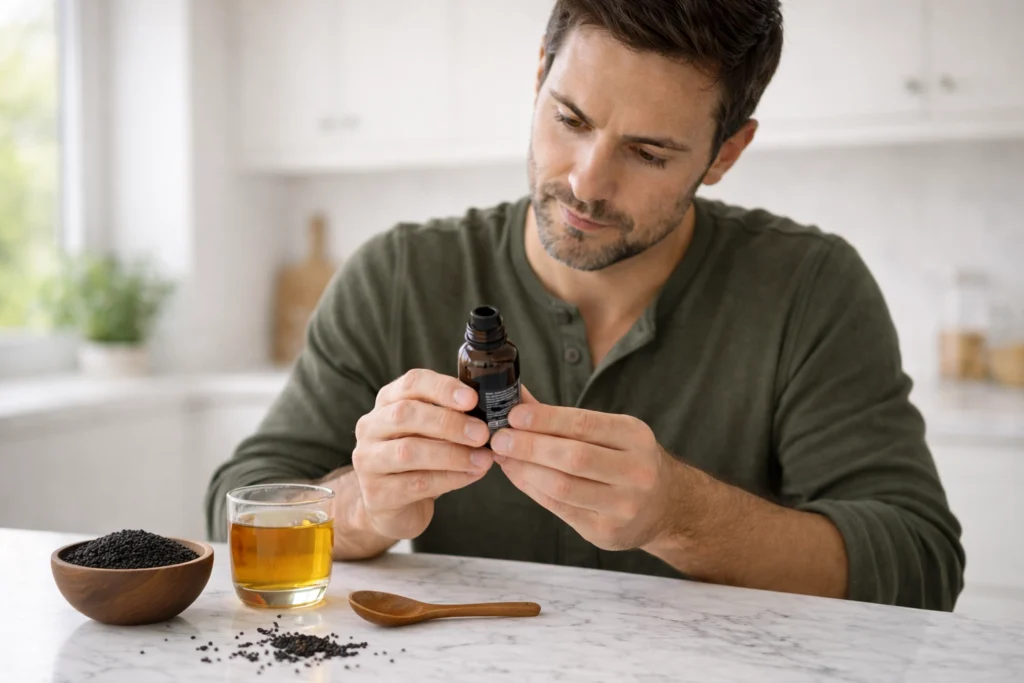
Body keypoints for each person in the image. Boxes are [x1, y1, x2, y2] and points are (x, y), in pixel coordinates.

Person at [206, 0, 964, 611]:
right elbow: (237, 505)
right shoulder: (397, 273)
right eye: (570, 119)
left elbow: (920, 561)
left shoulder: (811, 288)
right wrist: (364, 506)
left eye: (648, 152)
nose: (587, 183)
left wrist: (681, 515)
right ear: (539, 75)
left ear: (727, 152)